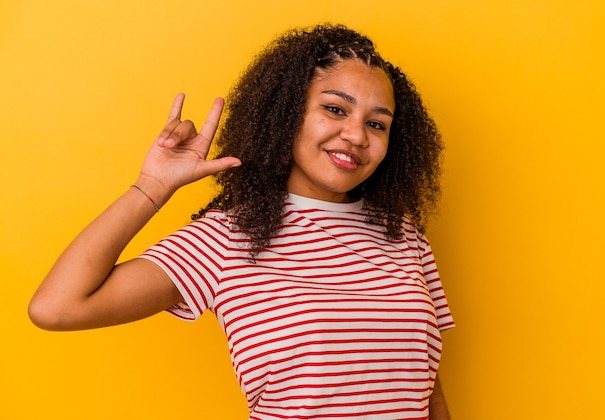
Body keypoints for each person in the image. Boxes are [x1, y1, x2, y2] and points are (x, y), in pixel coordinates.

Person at [29, 24, 455, 419]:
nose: (357, 135)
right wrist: (152, 186)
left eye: (376, 124)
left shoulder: (402, 235)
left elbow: (425, 386)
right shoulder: (226, 237)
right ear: (287, 114)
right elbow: (57, 308)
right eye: (335, 109)